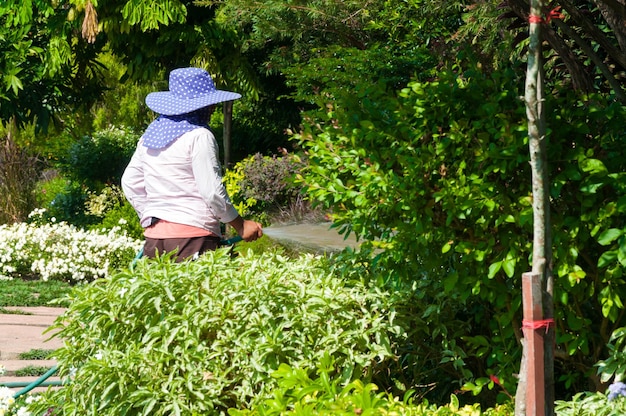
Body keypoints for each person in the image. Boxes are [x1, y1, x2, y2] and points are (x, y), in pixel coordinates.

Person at [121, 67, 263, 261]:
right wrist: (241, 225)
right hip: (193, 238)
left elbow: (129, 182)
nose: (213, 109)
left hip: (156, 240)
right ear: (200, 107)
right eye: (210, 104)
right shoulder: (199, 136)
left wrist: (152, 215)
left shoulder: (149, 136)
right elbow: (211, 191)